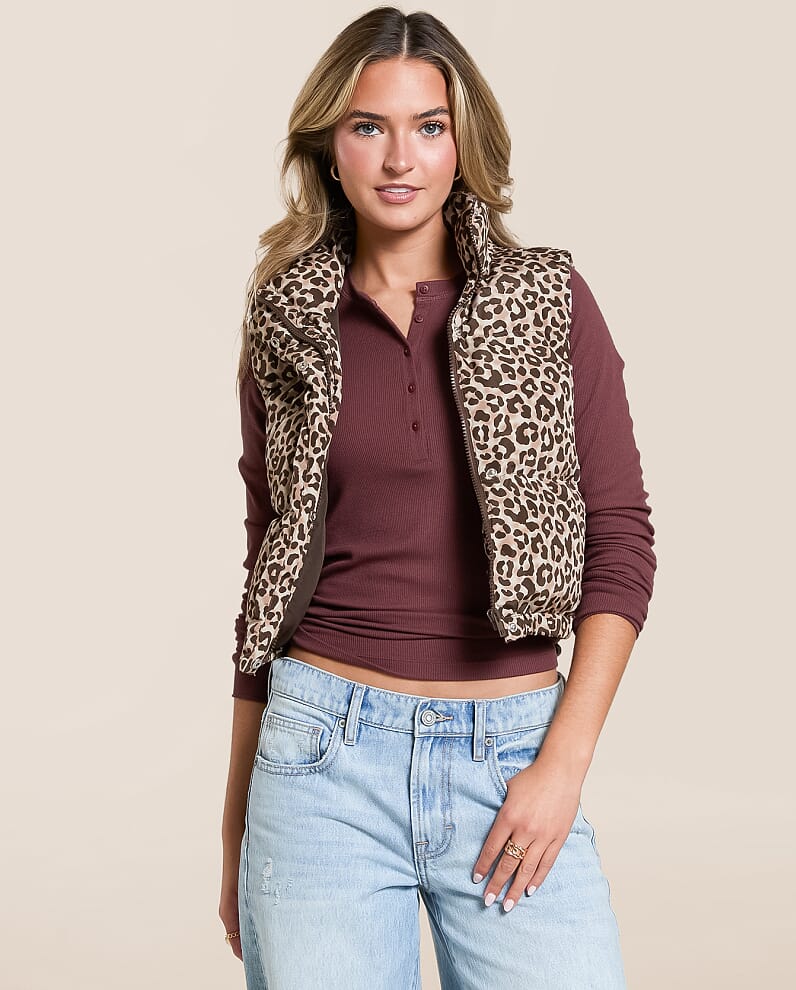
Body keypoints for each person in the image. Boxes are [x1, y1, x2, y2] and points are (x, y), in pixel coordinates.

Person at [219, 7, 656, 988]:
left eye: (428, 126)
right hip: (318, 760)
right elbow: (264, 572)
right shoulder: (287, 318)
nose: (398, 157)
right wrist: (234, 829)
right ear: (328, 146)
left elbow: (620, 541)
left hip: (509, 750)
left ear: (463, 144)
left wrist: (560, 764)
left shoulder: (544, 300)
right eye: (367, 126)